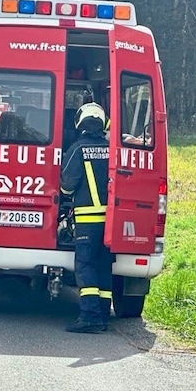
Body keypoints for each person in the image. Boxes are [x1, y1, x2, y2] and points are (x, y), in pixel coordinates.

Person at [60, 102, 113, 333]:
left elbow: (67, 185)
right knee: (103, 265)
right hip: (111, 220)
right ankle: (102, 314)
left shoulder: (78, 149)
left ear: (79, 124)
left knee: (85, 266)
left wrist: (65, 196)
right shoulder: (114, 149)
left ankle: (90, 316)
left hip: (87, 219)